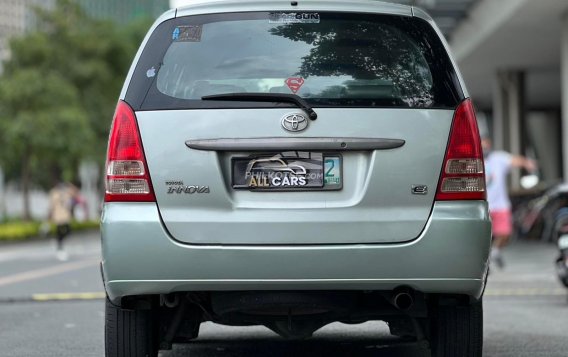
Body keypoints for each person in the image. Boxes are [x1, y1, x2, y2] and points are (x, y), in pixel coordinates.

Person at [482, 136, 537, 268]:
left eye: (486, 146)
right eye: (482, 147)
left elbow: (515, 160)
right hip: (483, 204)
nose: (484, 149)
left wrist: (527, 163)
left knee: (505, 233)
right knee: (483, 236)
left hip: (500, 205)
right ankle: (485, 259)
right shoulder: (473, 160)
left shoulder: (498, 158)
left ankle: (495, 251)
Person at [48, 182, 75, 261]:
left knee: (68, 231)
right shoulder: (54, 193)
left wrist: (70, 185)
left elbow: (75, 193)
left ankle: (58, 242)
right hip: (58, 215)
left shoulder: (66, 192)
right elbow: (51, 205)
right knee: (59, 232)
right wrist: (50, 215)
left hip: (65, 215)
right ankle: (59, 245)